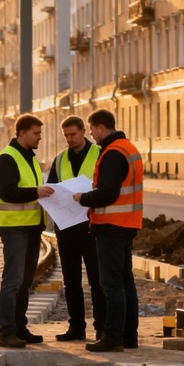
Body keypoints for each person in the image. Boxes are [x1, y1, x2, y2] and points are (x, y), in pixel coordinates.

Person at [73, 109, 144, 352]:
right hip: (126, 224)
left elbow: (107, 193)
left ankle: (113, 337)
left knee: (111, 283)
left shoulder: (112, 153)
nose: (91, 134)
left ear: (101, 127)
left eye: (91, 129)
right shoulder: (129, 148)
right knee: (125, 282)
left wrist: (83, 198)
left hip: (111, 226)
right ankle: (128, 336)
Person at [0, 113, 55, 348]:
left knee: (25, 281)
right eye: (36, 133)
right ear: (21, 133)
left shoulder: (29, 157)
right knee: (13, 280)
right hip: (14, 228)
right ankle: (7, 332)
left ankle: (20, 327)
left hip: (31, 227)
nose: (39, 137)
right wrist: (36, 192)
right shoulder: (6, 159)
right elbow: (9, 192)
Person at [47, 116, 106, 342]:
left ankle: (101, 327)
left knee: (97, 280)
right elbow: (52, 189)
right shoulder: (60, 159)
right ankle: (76, 327)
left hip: (92, 226)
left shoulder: (99, 154)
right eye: (66, 135)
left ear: (83, 131)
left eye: (73, 134)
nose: (69, 139)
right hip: (66, 227)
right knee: (71, 281)